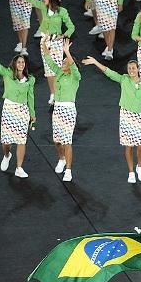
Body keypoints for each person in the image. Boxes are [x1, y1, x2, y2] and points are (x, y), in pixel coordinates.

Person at [82, 57, 141, 183]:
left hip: (138, 117)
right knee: (128, 146)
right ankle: (131, 172)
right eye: (129, 68)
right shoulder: (124, 79)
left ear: (138, 69)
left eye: (133, 68)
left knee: (140, 146)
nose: (131, 70)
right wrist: (95, 62)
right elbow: (109, 72)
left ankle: (139, 166)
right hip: (125, 115)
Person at [26, 0, 75, 104]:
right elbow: (30, 0)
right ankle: (52, 94)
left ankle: (58, 93)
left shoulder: (62, 11)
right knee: (48, 70)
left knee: (56, 69)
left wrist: (63, 35)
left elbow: (71, 27)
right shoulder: (43, 7)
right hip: (45, 41)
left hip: (56, 43)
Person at [41, 39, 80, 182]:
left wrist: (66, 51)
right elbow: (48, 59)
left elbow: (74, 66)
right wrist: (44, 45)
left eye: (65, 62)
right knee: (56, 140)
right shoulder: (58, 72)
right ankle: (61, 159)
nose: (63, 64)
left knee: (67, 141)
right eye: (63, 62)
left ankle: (68, 170)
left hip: (69, 110)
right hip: (57, 109)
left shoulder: (75, 76)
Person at [0, 54, 35, 178]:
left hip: (22, 111)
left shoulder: (30, 79)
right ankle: (7, 155)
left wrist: (32, 114)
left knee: (21, 141)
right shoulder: (7, 73)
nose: (21, 64)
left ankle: (19, 168)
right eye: (19, 62)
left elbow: (31, 97)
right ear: (14, 63)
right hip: (9, 110)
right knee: (6, 142)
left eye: (23, 62)